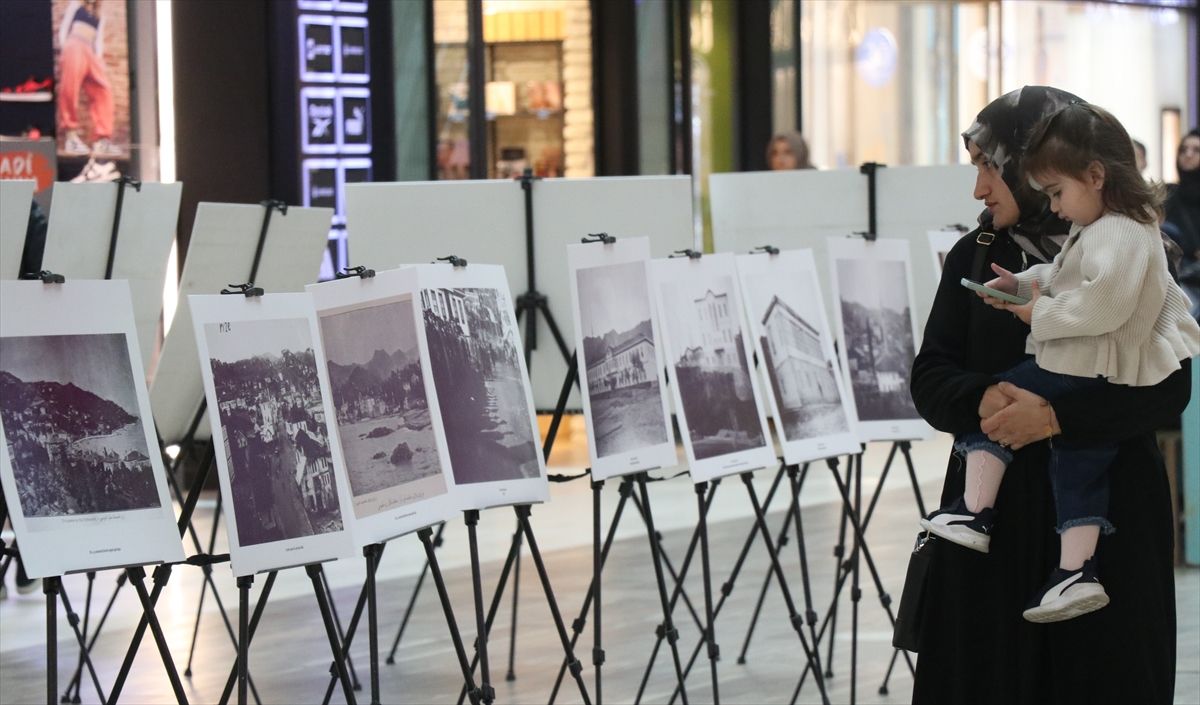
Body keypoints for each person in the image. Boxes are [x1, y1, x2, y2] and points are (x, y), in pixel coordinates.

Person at [910, 86, 1191, 704]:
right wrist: (987, 399)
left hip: (1105, 527)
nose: (980, 189)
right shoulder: (977, 256)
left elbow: (1171, 386)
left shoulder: (1137, 249)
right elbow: (930, 377)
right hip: (994, 530)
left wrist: (1056, 417)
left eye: (989, 167)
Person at [57, 0, 121, 159]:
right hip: (74, 43)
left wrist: (98, 58)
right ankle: (71, 137)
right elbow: (64, 28)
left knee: (103, 90)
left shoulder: (99, 15)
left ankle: (102, 139)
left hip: (89, 50)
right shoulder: (76, 5)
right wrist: (65, 48)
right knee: (70, 89)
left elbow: (98, 40)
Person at [1165, 129, 1200, 318]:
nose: (1188, 154)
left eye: (1196, 150)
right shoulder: (1168, 194)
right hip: (1178, 276)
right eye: (1183, 149)